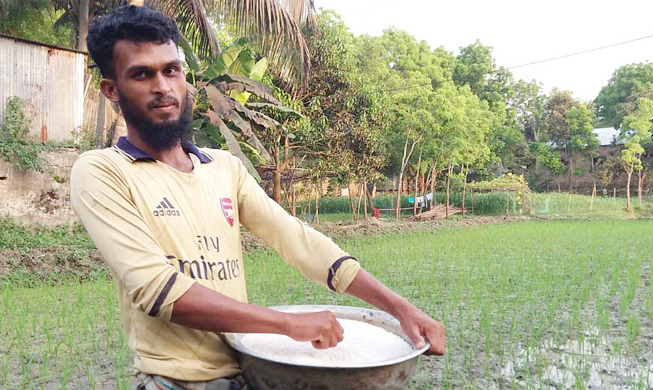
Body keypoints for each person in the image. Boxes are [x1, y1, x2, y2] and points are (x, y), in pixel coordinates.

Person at [70, 5, 445, 390]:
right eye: (142, 74)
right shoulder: (103, 171)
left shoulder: (223, 167)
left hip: (249, 375)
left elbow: (298, 240)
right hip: (176, 383)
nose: (163, 86)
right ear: (111, 89)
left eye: (171, 69)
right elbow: (157, 290)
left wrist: (400, 307)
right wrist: (286, 324)